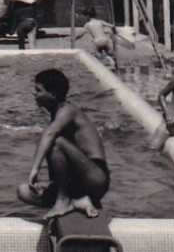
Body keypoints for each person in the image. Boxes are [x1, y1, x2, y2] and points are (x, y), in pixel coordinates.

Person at [18, 68, 109, 221]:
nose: (34, 93)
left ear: (53, 94)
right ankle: (78, 200)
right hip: (80, 182)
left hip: (95, 177)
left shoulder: (68, 110)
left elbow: (49, 135)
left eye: (38, 90)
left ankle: (63, 201)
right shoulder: (56, 112)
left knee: (55, 141)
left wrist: (35, 169)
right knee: (23, 191)